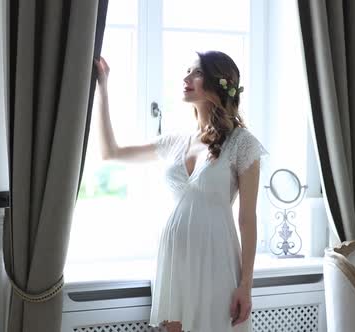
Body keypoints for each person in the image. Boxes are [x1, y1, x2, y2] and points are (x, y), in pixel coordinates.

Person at [94, 50, 267, 332]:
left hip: (216, 257)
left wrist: (246, 286)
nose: (186, 77)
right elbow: (111, 152)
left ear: (218, 82)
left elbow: (247, 219)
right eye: (187, 71)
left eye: (196, 72)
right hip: (174, 259)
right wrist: (103, 88)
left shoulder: (243, 143)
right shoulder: (176, 141)